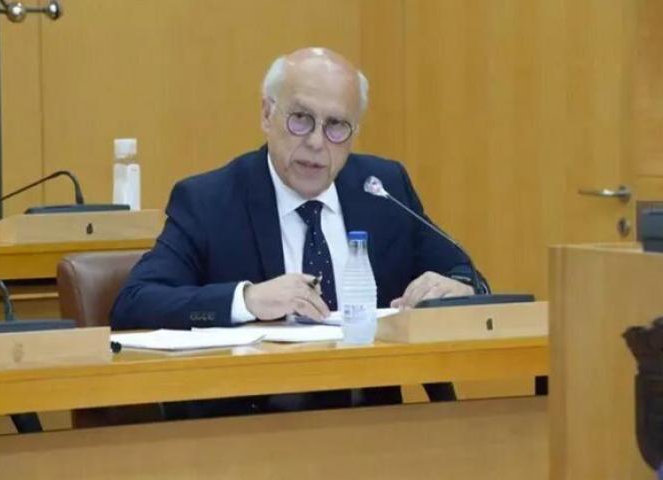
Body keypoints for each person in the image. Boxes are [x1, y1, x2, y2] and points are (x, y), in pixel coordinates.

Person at [111, 47, 488, 414]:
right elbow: (135, 303)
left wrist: (458, 289)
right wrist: (247, 299)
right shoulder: (210, 200)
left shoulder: (381, 189)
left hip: (375, 426)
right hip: (250, 430)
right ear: (267, 114)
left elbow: (465, 273)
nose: (316, 142)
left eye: (336, 126)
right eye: (301, 118)